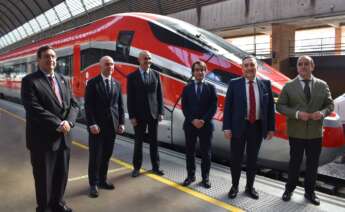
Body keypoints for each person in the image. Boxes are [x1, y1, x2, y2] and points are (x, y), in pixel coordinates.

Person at [21, 45, 79, 212]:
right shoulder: (30, 81)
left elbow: (74, 105)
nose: (51, 59)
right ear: (38, 60)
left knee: (62, 175)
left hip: (64, 137)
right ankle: (44, 208)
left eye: (53, 56)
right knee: (44, 179)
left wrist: (69, 122)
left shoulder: (64, 79)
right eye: (46, 56)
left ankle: (58, 203)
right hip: (42, 141)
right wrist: (58, 124)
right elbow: (33, 108)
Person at [277, 55, 334, 206]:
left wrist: (321, 113)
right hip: (296, 132)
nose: (303, 66)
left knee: (312, 164)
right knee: (294, 163)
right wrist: (296, 114)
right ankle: (289, 189)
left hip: (315, 133)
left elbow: (330, 105)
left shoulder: (322, 85)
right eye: (300, 64)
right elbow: (280, 106)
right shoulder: (289, 86)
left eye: (306, 64)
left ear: (312, 66)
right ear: (297, 68)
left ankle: (310, 192)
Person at [223, 55, 275, 200]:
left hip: (257, 127)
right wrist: (227, 127)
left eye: (252, 65)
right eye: (246, 65)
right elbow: (228, 107)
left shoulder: (266, 84)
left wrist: (270, 128)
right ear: (242, 68)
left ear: (256, 67)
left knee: (253, 159)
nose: (249, 68)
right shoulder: (234, 84)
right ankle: (234, 186)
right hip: (239, 126)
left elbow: (270, 108)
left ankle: (249, 187)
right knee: (236, 158)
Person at [85, 56, 125, 198]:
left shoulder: (117, 84)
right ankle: (93, 184)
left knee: (107, 155)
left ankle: (102, 180)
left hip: (112, 126)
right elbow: (88, 106)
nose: (110, 67)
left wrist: (121, 123)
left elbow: (119, 105)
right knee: (95, 156)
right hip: (97, 127)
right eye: (107, 64)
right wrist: (92, 123)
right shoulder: (92, 83)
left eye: (112, 64)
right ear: (100, 66)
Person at [127, 50, 164, 177]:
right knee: (138, 142)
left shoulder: (156, 74)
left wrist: (161, 112)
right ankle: (136, 168)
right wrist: (131, 116)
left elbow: (160, 95)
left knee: (154, 142)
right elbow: (130, 98)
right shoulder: (132, 77)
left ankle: (156, 167)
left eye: (149, 58)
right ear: (139, 60)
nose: (148, 60)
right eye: (145, 58)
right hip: (138, 116)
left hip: (153, 114)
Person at [181, 61, 217, 189]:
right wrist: (193, 120)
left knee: (206, 153)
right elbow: (184, 107)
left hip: (205, 126)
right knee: (190, 152)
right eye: (197, 70)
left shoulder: (211, 88)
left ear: (205, 72)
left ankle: (205, 178)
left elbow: (213, 107)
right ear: (193, 72)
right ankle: (191, 176)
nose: (199, 72)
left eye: (202, 70)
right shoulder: (187, 88)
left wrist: (203, 120)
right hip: (190, 125)